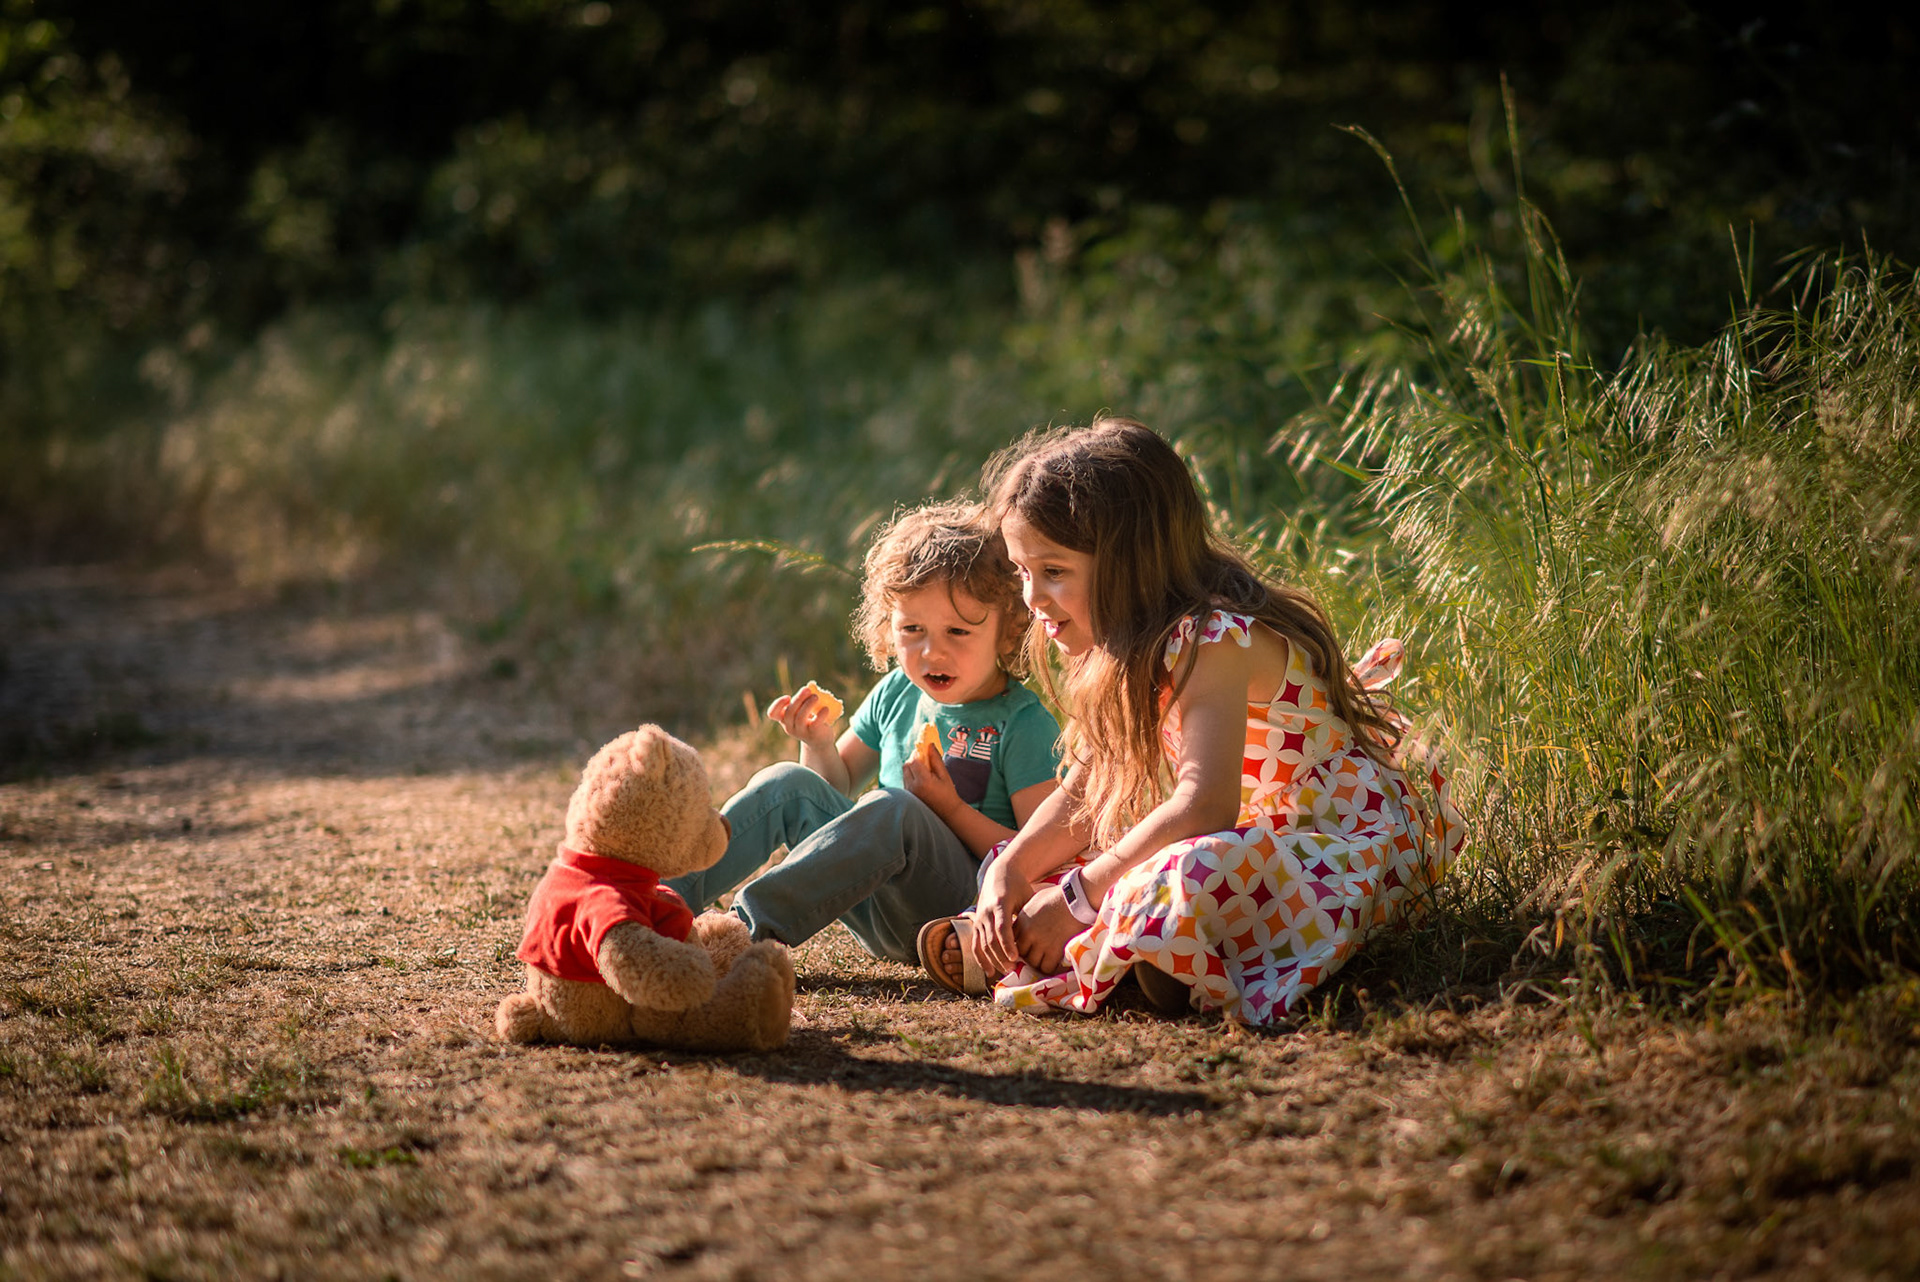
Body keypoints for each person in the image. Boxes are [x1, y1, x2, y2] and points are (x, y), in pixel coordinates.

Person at [918, 416, 1463, 1024]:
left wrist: (1076, 897)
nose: (1032, 598)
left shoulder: (1215, 640)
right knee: (1041, 861)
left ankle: (1132, 952)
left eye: (1054, 572)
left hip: (1331, 841)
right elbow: (1086, 790)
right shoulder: (1125, 642)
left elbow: (1204, 808)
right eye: (1023, 571)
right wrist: (1013, 870)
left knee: (1182, 869)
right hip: (1247, 839)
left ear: (1129, 561)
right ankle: (1079, 939)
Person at [667, 500, 1061, 965]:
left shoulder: (1023, 723)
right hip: (876, 905)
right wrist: (816, 744)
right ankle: (659, 901)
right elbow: (833, 790)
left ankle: (740, 933)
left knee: (895, 808)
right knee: (787, 783)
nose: (932, 651)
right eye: (912, 629)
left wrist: (950, 810)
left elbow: (1039, 859)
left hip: (957, 917)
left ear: (1009, 630)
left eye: (958, 631)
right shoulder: (897, 691)